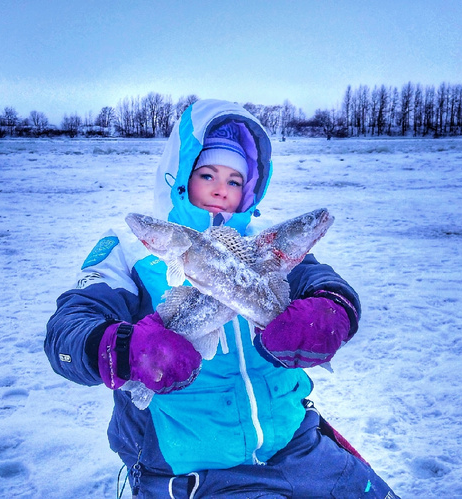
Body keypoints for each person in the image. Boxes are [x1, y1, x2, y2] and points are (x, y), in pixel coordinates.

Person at [44, 99, 397, 498]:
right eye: (207, 173)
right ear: (177, 176)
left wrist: (332, 313)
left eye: (234, 180)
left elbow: (328, 286)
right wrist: (122, 350)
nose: (220, 189)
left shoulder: (265, 251)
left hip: (297, 445)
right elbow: (67, 331)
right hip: (198, 471)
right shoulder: (129, 253)